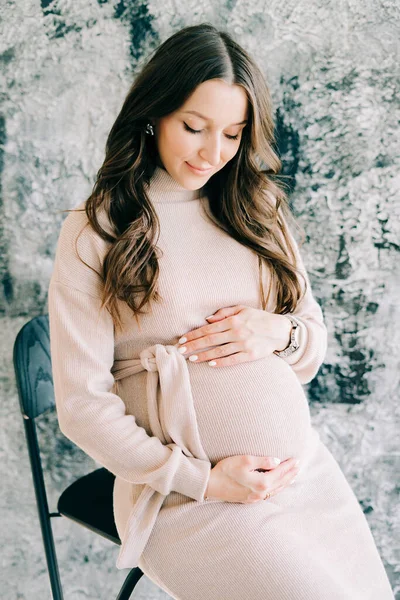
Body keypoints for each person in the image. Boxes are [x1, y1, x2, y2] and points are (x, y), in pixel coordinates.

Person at [48, 23, 395, 600]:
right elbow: (82, 407)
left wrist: (277, 333)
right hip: (189, 501)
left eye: (233, 135)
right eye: (194, 128)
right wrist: (202, 480)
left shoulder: (256, 209)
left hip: (303, 478)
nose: (213, 153)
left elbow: (309, 344)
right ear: (155, 112)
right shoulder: (98, 231)